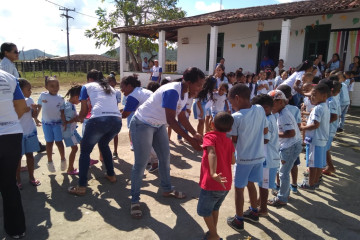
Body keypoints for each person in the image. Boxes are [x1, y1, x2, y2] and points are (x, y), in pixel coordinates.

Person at [129, 67, 205, 219]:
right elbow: (171, 120)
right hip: (142, 123)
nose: (200, 88)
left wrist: (195, 133)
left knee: (165, 157)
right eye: (199, 85)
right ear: (188, 82)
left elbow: (182, 117)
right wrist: (190, 141)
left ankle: (166, 189)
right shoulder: (172, 91)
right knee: (141, 163)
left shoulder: (185, 93)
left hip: (158, 125)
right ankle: (135, 200)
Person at [68, 69, 122, 196]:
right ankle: (111, 175)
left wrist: (77, 119)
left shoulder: (86, 87)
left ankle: (81, 186)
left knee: (85, 151)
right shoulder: (111, 88)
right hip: (116, 122)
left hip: (98, 120)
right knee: (103, 145)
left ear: (90, 79)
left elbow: (83, 111)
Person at [227, 84, 268, 232]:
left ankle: (238, 220)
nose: (231, 105)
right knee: (252, 184)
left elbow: (233, 140)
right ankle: (254, 211)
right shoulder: (259, 109)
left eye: (231, 102)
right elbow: (265, 130)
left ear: (237, 98)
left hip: (243, 159)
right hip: (258, 157)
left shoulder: (236, 117)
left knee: (239, 189)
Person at [197, 112, 235, 240]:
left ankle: (214, 235)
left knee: (203, 211)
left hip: (212, 183)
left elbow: (211, 152)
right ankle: (213, 231)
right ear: (230, 129)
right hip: (225, 184)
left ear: (212, 124)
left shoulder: (210, 137)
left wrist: (213, 172)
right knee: (215, 208)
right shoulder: (229, 141)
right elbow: (233, 161)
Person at [0, 69, 27, 238]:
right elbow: (22, 106)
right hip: (12, 134)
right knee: (9, 183)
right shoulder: (8, 77)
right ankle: (17, 229)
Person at [267, 90, 302, 206]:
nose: (271, 107)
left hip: (290, 146)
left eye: (272, 104)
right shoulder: (283, 112)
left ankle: (282, 198)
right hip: (291, 145)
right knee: (283, 172)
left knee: (283, 173)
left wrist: (275, 134)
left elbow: (291, 133)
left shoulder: (283, 116)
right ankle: (284, 193)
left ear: (280, 102)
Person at [251, 94, 279, 216]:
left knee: (264, 185)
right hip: (269, 157)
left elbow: (265, 140)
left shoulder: (266, 120)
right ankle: (259, 201)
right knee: (263, 183)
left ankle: (263, 209)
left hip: (268, 159)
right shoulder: (270, 117)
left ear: (266, 108)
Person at [299, 83, 330, 192]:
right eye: (311, 95)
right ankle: (315, 182)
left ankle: (310, 184)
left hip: (315, 140)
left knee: (312, 165)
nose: (312, 97)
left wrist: (303, 128)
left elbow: (315, 125)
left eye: (315, 95)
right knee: (317, 164)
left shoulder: (317, 108)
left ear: (324, 96)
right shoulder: (324, 106)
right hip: (321, 140)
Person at [276, 85, 302, 194]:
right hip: (289, 143)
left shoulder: (281, 112)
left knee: (282, 170)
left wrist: (275, 135)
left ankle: (280, 190)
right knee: (292, 165)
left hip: (287, 144)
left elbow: (291, 132)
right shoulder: (294, 109)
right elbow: (299, 125)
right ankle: (294, 184)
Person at [37, 76, 66, 172]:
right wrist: (35, 117)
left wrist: (64, 122)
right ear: (46, 87)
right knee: (49, 143)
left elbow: (62, 112)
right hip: (46, 124)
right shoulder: (43, 95)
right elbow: (39, 106)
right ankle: (49, 162)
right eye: (52, 86)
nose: (55, 88)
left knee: (59, 142)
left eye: (57, 85)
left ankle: (63, 159)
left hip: (57, 124)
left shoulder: (61, 98)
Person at [16, 79, 41, 189]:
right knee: (18, 158)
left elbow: (33, 116)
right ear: (20, 90)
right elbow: (14, 118)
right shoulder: (14, 102)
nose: (30, 91)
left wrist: (35, 110)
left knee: (30, 156)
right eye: (28, 89)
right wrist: (22, 111)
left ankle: (31, 177)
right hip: (18, 134)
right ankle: (17, 180)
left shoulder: (29, 99)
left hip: (30, 132)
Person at [321, 79, 341, 176]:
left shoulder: (332, 101)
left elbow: (334, 116)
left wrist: (323, 123)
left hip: (329, 129)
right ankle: (329, 167)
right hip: (328, 129)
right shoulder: (330, 99)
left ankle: (323, 167)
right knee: (325, 148)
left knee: (324, 149)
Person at [61, 85, 83, 175]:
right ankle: (70, 169)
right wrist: (76, 119)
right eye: (80, 99)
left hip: (73, 130)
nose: (81, 101)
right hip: (69, 132)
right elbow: (66, 121)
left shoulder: (70, 105)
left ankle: (86, 160)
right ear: (76, 97)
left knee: (82, 143)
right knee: (75, 148)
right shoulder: (69, 107)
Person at [107, 73, 122, 159]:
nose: (110, 84)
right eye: (108, 82)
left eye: (111, 82)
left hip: (114, 114)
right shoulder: (103, 91)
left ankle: (115, 151)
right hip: (106, 114)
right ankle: (105, 152)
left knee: (115, 133)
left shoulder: (117, 92)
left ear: (115, 83)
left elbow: (116, 103)